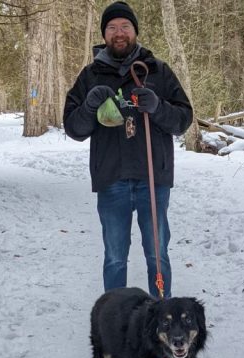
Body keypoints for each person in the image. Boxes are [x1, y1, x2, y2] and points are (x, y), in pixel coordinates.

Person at [63, 1, 192, 298]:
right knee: (115, 257)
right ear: (104, 34)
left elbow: (183, 120)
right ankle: (115, 324)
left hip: (152, 179)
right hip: (112, 180)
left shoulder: (157, 71)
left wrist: (158, 107)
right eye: (111, 28)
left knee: (157, 255)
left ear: (135, 31)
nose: (118, 33)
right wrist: (89, 105)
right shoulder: (90, 75)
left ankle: (161, 319)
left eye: (124, 27)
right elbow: (73, 128)